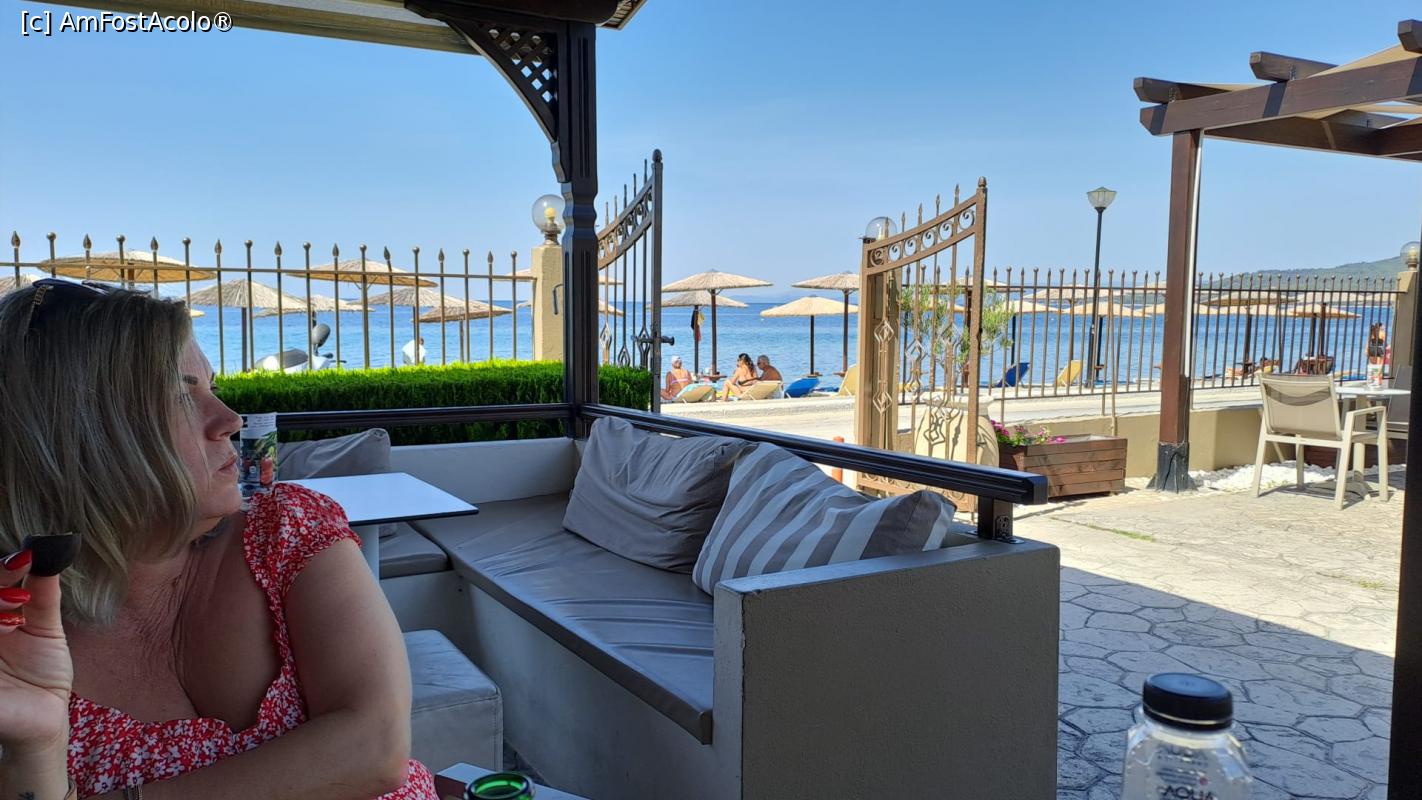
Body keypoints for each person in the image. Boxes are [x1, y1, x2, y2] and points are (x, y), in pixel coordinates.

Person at [0, 280, 435, 799]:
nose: (230, 420)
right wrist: (35, 750)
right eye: (181, 395)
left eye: (210, 386)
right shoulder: (17, 640)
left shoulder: (286, 529)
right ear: (79, 435)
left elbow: (376, 748)